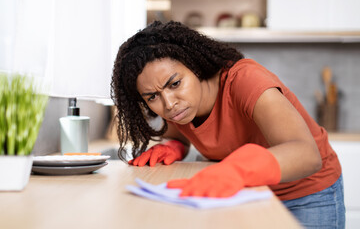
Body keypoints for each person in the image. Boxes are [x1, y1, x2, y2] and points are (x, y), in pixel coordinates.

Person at [111, 21, 345, 228]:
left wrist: (236, 169)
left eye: (175, 83)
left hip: (306, 194)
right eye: (151, 96)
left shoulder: (245, 80)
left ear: (195, 65)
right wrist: (173, 146)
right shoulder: (178, 105)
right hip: (247, 193)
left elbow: (306, 154)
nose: (169, 104)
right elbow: (182, 134)